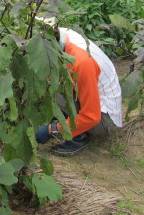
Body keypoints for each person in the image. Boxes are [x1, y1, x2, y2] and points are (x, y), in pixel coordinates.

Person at [35, 27, 122, 157]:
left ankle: (79, 135)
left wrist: (51, 130)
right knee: (49, 84)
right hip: (87, 92)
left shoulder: (81, 62)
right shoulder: (56, 34)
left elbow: (92, 116)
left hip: (103, 116)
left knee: (54, 92)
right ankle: (65, 119)